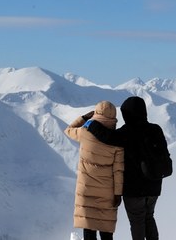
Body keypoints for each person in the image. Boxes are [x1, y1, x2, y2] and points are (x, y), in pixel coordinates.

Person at [85, 96, 169, 240]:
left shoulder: (127, 132)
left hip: (134, 189)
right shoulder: (156, 129)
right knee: (149, 217)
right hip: (154, 185)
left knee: (137, 220)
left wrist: (91, 124)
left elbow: (107, 137)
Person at [64, 101, 125, 240]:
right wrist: (118, 194)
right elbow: (118, 171)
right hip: (107, 192)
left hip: (87, 190)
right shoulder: (118, 141)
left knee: (89, 229)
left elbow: (68, 130)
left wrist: (84, 118)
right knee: (106, 232)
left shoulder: (85, 132)